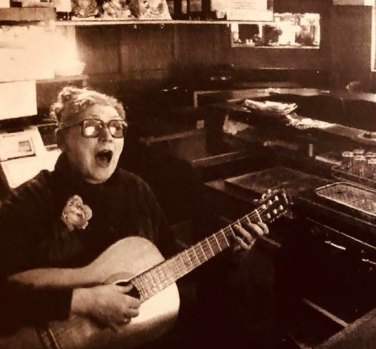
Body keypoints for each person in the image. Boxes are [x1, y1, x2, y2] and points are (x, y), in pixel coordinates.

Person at [0, 86, 267, 343]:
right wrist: (83, 301)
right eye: (92, 127)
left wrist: (229, 254)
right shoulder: (31, 199)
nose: (107, 137)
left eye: (116, 127)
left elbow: (170, 265)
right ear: (62, 141)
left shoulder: (136, 189)